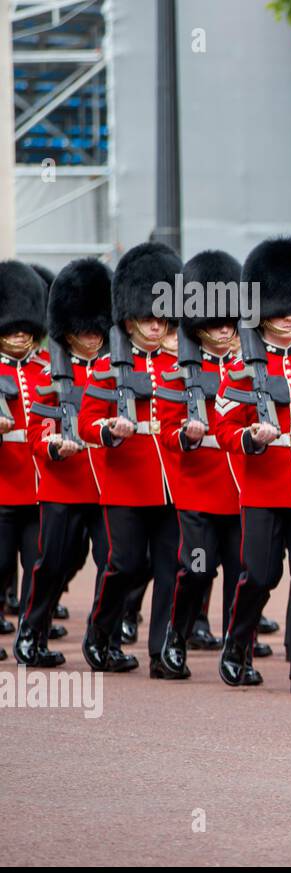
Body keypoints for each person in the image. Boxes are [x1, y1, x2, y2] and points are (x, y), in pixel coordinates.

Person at [213, 236, 291, 691]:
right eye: (280, 310)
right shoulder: (242, 366)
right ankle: (237, 645)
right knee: (260, 574)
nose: (289, 318)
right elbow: (223, 427)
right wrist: (249, 438)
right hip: (264, 487)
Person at [78, 243, 183, 678]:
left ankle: (163, 650)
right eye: (148, 318)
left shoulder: (181, 366)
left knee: (171, 566)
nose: (156, 325)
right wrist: (107, 431)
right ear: (129, 319)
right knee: (124, 565)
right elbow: (87, 423)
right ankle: (100, 633)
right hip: (125, 482)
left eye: (162, 317)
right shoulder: (107, 366)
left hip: (172, 482)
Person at [16, 259, 112, 667]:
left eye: (96, 330)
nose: (91, 338)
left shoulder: (115, 369)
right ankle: (30, 634)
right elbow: (37, 429)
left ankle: (102, 638)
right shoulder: (51, 373)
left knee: (118, 565)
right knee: (52, 564)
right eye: (83, 331)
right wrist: (53, 446)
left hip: (108, 483)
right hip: (63, 482)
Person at [155, 251, 245, 682]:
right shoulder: (179, 372)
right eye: (215, 324)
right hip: (197, 490)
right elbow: (168, 430)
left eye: (230, 322)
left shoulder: (250, 370)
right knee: (196, 567)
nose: (225, 331)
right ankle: (176, 636)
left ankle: (235, 649)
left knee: (241, 573)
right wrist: (185, 436)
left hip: (242, 487)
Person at [0, 261, 48, 664]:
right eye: (10, 330)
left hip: (37, 486)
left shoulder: (44, 371)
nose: (18, 336)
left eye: (23, 329)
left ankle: (32, 639)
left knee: (39, 567)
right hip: (2, 486)